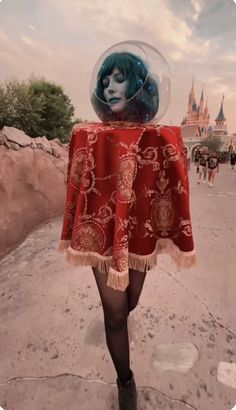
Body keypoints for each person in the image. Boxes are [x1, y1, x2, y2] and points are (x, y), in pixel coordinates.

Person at [59, 46, 195, 410]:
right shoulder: (90, 134)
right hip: (102, 235)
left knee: (130, 301)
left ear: (139, 84)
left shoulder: (158, 134)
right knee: (115, 312)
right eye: (105, 80)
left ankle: (117, 329)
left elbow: (172, 182)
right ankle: (125, 379)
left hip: (139, 232)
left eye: (119, 79)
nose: (110, 87)